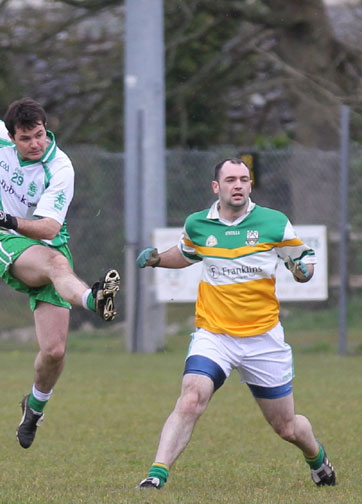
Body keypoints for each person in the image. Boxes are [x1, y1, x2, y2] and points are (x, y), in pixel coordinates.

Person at [0, 26, 120, 449]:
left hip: (40, 237)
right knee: (56, 265)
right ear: (12, 136)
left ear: (45, 129)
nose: (35, 143)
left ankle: (33, 410)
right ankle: (95, 299)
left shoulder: (61, 167)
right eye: (26, 138)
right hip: (11, 243)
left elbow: (51, 230)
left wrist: (6, 217)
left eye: (39, 134)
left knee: (54, 353)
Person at [136, 158, 336, 488]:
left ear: (250, 185)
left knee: (286, 427)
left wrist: (303, 271)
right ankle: (156, 475)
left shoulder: (273, 222)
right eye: (231, 179)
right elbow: (187, 253)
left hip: (263, 339)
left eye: (244, 179)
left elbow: (302, 261)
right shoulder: (199, 224)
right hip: (215, 335)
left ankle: (316, 457)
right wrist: (158, 259)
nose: (238, 185)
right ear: (217, 187)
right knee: (190, 398)